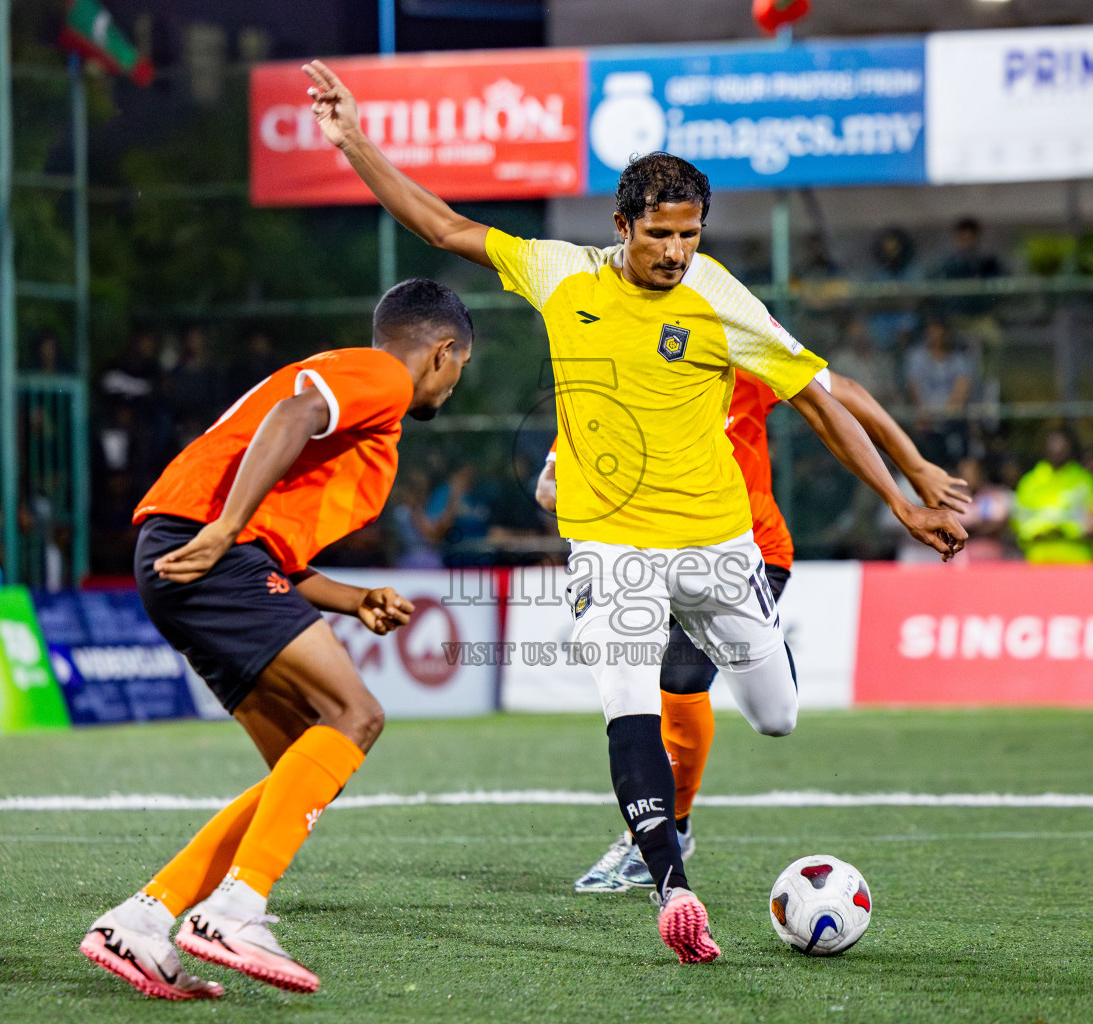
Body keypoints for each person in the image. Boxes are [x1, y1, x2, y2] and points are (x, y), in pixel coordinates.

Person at [300, 59, 967, 964]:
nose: (677, 251)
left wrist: (900, 495)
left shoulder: (720, 298)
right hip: (612, 546)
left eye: (691, 233)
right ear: (621, 226)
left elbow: (818, 396)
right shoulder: (560, 274)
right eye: (660, 235)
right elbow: (441, 223)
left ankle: (726, 728)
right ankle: (670, 883)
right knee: (629, 702)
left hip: (721, 544)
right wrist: (353, 143)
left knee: (775, 715)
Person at [78, 278, 471, 1000]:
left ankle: (143, 918)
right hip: (209, 544)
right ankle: (234, 908)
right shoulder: (384, 374)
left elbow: (277, 550)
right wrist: (226, 527)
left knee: (298, 762)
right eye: (460, 371)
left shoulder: (367, 402)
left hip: (192, 552)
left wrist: (351, 600)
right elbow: (295, 413)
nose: (452, 388)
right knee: (357, 715)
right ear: (442, 352)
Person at [539, 367, 968, 894]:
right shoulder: (611, 383)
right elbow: (548, 489)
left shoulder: (729, 347)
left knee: (696, 683)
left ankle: (761, 640)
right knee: (668, 685)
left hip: (749, 553)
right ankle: (669, 828)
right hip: (648, 557)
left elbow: (843, 393)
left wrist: (915, 465)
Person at [1012, 429, 1093, 563]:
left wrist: (1065, 529)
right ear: (1044, 447)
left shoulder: (1085, 481)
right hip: (1039, 559)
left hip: (1076, 559)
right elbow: (1019, 522)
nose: (1058, 449)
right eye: (1053, 444)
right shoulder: (1029, 482)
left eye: (1062, 445)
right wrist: (1044, 530)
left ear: (1071, 447)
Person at [905, 316, 974, 464]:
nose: (936, 338)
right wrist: (928, 417)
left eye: (940, 333)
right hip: (925, 422)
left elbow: (960, 394)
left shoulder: (960, 359)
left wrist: (944, 416)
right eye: (932, 333)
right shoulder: (916, 357)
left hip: (952, 421)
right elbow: (915, 394)